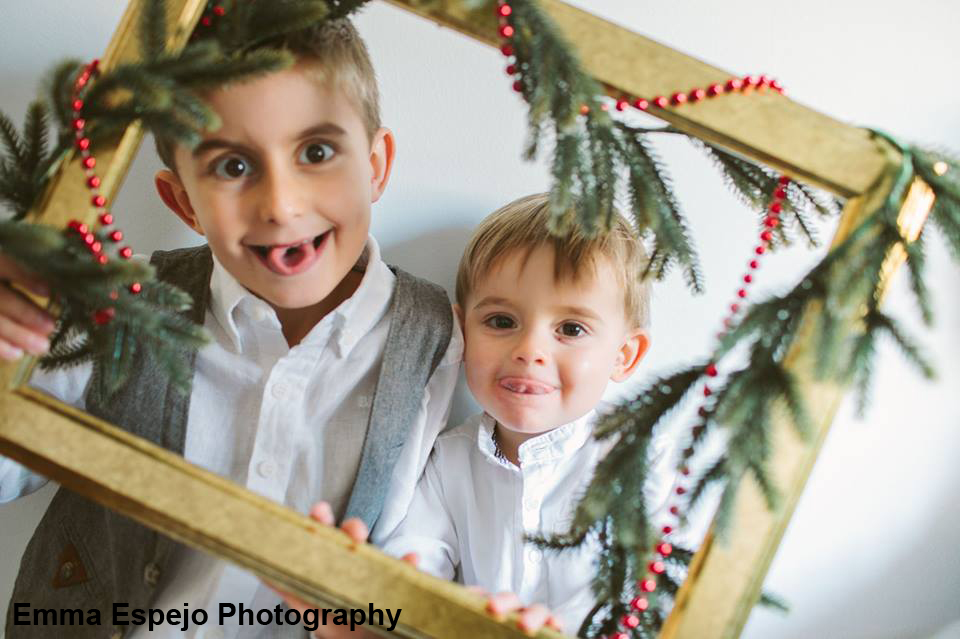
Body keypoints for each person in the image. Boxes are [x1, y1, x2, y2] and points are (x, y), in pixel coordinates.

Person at [0, 19, 462, 639]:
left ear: (375, 166)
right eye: (234, 165)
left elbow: (424, 541)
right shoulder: (116, 304)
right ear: (184, 203)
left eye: (316, 153)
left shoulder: (436, 339)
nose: (281, 204)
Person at [380, 192, 652, 634]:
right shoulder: (447, 462)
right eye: (502, 321)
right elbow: (410, 566)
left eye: (571, 329)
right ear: (461, 333)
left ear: (624, 355)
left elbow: (652, 599)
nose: (529, 350)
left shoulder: (644, 463)